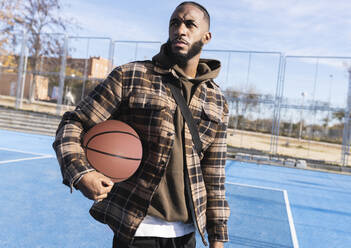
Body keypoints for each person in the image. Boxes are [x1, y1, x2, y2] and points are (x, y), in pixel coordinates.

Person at [53, 2, 230, 248]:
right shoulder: (132, 76)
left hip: (187, 235)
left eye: (190, 24)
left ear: (206, 36)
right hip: (138, 229)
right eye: (174, 23)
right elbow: (74, 123)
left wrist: (217, 238)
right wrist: (82, 173)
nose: (180, 30)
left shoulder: (217, 101)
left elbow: (214, 174)